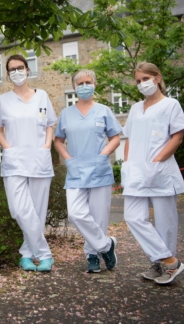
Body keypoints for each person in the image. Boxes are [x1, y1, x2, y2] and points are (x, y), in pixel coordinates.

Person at [122, 62, 184, 284]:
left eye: (145, 79)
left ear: (157, 78)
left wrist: (157, 162)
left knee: (165, 222)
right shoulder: (134, 109)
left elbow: (177, 137)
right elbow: (129, 138)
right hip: (136, 171)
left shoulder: (171, 105)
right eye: (138, 81)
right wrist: (127, 164)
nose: (142, 84)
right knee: (132, 216)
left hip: (161, 172)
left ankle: (162, 266)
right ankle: (170, 261)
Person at [0, 55, 56, 272]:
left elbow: (50, 124)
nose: (17, 72)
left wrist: (47, 145)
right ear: (8, 75)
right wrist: (7, 148)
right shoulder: (3, 100)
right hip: (14, 160)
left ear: (28, 70)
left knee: (37, 211)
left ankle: (27, 254)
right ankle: (45, 253)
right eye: (12, 70)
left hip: (39, 159)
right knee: (18, 209)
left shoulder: (42, 96)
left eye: (20, 68)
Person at [54, 69, 121, 273]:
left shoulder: (104, 110)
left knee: (99, 217)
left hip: (99, 169)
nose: (84, 86)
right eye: (80, 83)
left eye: (88, 82)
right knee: (75, 214)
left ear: (95, 85)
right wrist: (68, 159)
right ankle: (107, 246)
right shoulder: (66, 114)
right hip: (76, 170)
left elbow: (115, 137)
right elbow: (58, 141)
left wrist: (103, 155)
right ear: (74, 88)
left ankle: (92, 255)